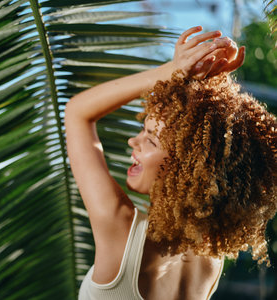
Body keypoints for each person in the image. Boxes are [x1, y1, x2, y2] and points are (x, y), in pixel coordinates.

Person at [64, 26, 277, 300]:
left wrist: (171, 70)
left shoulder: (119, 229)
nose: (133, 142)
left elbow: (76, 113)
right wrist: (191, 80)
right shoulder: (210, 260)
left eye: (151, 140)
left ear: (188, 171)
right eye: (144, 130)